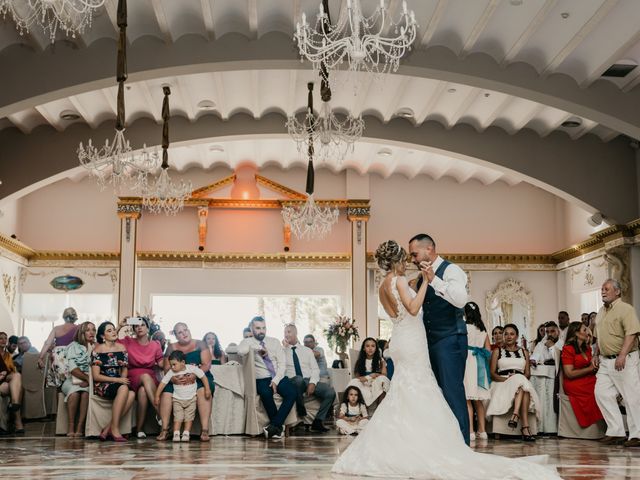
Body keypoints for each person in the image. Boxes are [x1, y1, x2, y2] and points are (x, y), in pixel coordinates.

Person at [332, 240, 560, 479]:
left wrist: (414, 282)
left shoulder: (383, 285)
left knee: (404, 392)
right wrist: (424, 284)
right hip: (412, 342)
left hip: (400, 340)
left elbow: (400, 303)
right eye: (405, 259)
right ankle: (435, 446)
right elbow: (411, 307)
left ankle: (405, 442)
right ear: (398, 260)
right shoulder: (399, 281)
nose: (409, 262)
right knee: (421, 389)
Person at [408, 233, 470, 444]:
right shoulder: (420, 277)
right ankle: (444, 443)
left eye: (414, 254)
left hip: (450, 339)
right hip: (429, 341)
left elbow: (461, 300)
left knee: (453, 393)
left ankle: (462, 446)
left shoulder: (451, 270)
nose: (413, 259)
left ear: (429, 249)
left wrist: (434, 280)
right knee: (437, 396)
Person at [593, 278, 640, 447]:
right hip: (605, 361)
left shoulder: (626, 309)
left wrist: (622, 355)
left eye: (606, 289)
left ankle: (637, 434)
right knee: (601, 393)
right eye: (602, 289)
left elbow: (632, 333)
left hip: (624, 358)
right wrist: (596, 353)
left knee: (631, 396)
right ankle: (616, 431)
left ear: (617, 291)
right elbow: (599, 336)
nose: (603, 292)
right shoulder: (600, 312)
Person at [238, 316, 296, 440]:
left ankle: (275, 426)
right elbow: (241, 351)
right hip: (262, 378)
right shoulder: (247, 342)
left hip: (278, 376)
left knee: (292, 393)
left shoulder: (274, 342)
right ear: (251, 328)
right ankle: (278, 428)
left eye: (264, 328)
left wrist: (275, 380)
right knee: (265, 393)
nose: (261, 331)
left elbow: (282, 364)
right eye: (258, 328)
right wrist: (258, 348)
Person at [157, 322, 214, 442]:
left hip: (199, 375)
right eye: (180, 332)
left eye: (185, 330)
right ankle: (165, 430)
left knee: (202, 390)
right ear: (176, 336)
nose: (184, 333)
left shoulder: (200, 344)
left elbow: (206, 364)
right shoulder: (172, 347)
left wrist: (194, 375)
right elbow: (167, 368)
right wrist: (173, 378)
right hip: (176, 377)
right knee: (166, 392)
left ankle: (204, 430)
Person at [486, 324, 541, 441]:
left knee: (522, 385)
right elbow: (492, 374)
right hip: (502, 381)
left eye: (512, 334)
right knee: (522, 385)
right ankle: (524, 427)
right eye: (505, 333)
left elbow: (527, 373)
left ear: (516, 336)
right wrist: (509, 380)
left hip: (521, 381)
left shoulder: (524, 352)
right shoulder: (497, 351)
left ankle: (516, 416)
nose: (508, 336)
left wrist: (516, 380)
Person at [116, 317, 164, 439]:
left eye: (142, 325)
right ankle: (162, 416)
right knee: (145, 377)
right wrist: (120, 326)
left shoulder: (155, 344)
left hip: (150, 379)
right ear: (133, 329)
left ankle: (139, 429)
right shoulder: (128, 341)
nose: (139, 327)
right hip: (132, 376)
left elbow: (162, 363)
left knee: (143, 391)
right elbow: (112, 342)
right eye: (137, 326)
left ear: (147, 328)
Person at [282, 324, 335, 433]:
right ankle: (301, 411)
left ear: (296, 333)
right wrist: (284, 348)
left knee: (330, 392)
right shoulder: (281, 350)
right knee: (298, 379)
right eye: (285, 332)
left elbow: (315, 369)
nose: (286, 334)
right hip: (292, 381)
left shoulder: (306, 351)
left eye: (289, 332)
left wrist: (313, 383)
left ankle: (318, 421)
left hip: (307, 380)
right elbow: (278, 367)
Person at [91, 321, 136, 442]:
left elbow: (124, 370)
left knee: (131, 394)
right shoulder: (97, 351)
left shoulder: (122, 348)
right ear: (102, 336)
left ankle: (107, 428)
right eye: (109, 331)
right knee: (124, 388)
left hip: (118, 382)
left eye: (114, 329)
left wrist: (122, 380)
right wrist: (117, 380)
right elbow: (96, 376)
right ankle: (115, 429)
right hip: (103, 384)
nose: (113, 332)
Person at [154, 350, 211, 442]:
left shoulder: (192, 368)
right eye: (171, 365)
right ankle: (176, 434)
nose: (172, 367)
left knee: (189, 417)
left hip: (191, 398)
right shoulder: (171, 372)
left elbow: (203, 377)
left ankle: (186, 434)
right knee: (178, 417)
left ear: (183, 362)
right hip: (177, 399)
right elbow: (163, 383)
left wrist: (207, 389)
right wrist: (157, 396)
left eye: (174, 364)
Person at [561, 321, 603, 428]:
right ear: (576, 333)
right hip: (574, 383)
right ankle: (602, 422)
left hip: (587, 378)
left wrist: (594, 367)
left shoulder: (586, 348)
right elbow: (569, 373)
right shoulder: (568, 349)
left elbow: (590, 366)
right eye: (584, 330)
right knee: (599, 390)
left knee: (605, 386)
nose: (588, 333)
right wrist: (589, 369)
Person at [61, 322, 96, 437]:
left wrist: (89, 381)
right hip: (72, 380)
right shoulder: (73, 346)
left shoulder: (97, 347)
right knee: (75, 393)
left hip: (90, 380)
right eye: (88, 330)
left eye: (93, 330)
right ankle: (71, 426)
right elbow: (73, 369)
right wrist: (87, 378)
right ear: (82, 333)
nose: (91, 332)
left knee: (85, 393)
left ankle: (80, 427)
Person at [463, 301, 491, 442]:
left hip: (468, 362)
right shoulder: (483, 330)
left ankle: (471, 432)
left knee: (468, 398)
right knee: (478, 399)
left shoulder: (464, 328)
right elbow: (488, 351)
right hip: (479, 363)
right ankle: (483, 431)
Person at [529, 321, 559, 434]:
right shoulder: (541, 343)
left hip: (554, 374)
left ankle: (552, 428)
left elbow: (558, 358)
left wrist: (552, 347)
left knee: (550, 403)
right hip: (542, 373)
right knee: (541, 400)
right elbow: (536, 355)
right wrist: (533, 360)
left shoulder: (561, 343)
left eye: (552, 331)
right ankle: (540, 428)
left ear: (557, 331)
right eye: (547, 332)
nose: (550, 334)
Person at [38, 307, 80, 387]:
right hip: (72, 359)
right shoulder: (79, 328)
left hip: (58, 360)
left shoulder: (56, 328)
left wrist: (40, 357)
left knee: (58, 384)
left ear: (64, 317)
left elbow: (47, 343)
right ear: (75, 317)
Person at [347, 337, 389, 407]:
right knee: (354, 381)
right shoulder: (360, 361)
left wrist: (374, 374)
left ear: (376, 348)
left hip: (376, 383)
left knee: (383, 380)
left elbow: (384, 375)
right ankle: (358, 407)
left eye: (373, 346)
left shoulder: (380, 360)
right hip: (365, 383)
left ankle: (380, 408)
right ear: (364, 348)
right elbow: (358, 377)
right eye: (367, 346)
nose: (370, 348)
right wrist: (368, 377)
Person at [0, 331, 23, 433]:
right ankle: (18, 425)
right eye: (1, 338)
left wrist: (6, 373)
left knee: (17, 376)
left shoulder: (7, 355)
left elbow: (11, 371)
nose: (4, 340)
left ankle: (14, 403)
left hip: (6, 380)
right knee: (16, 387)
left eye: (5, 338)